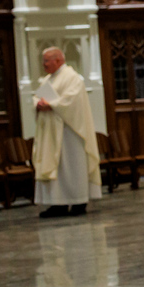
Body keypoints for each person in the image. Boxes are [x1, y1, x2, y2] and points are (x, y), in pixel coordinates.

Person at [33, 47, 101, 218]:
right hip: (51, 132)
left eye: (47, 60)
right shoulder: (49, 79)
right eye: (44, 60)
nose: (44, 64)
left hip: (69, 133)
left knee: (71, 167)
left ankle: (78, 201)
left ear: (59, 60)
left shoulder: (72, 78)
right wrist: (38, 104)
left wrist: (52, 105)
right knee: (57, 167)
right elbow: (38, 96)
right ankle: (58, 204)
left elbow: (71, 100)